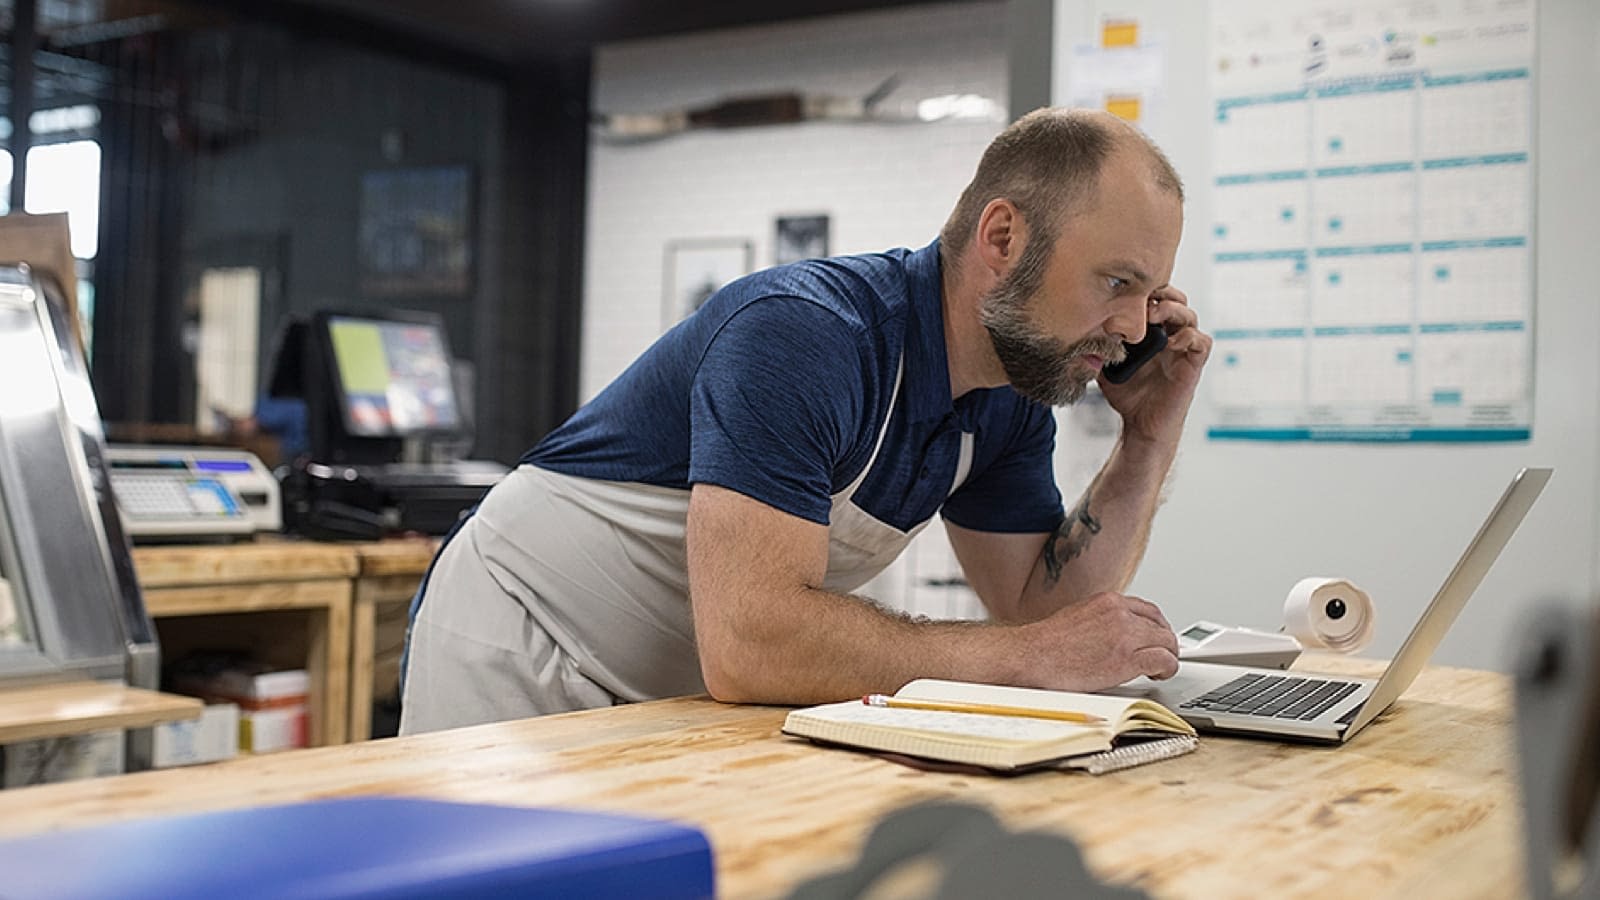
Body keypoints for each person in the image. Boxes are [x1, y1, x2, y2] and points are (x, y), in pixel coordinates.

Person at [399, 107, 1212, 735]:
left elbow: (1042, 617)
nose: (1133, 327)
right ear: (1002, 238)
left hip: (671, 686)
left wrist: (1148, 437)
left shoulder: (1009, 398)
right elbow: (753, 639)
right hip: (523, 642)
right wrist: (1026, 657)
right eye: (1116, 283)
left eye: (1150, 295)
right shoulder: (806, 334)